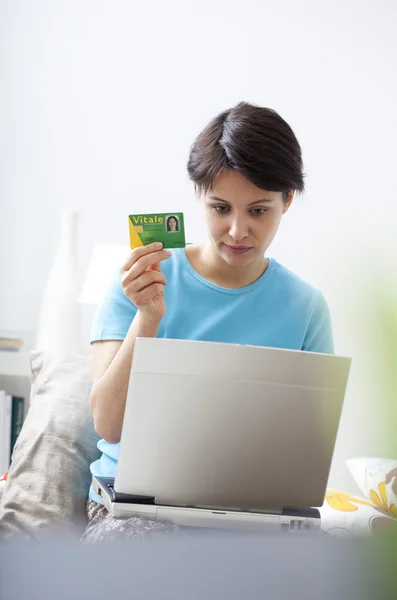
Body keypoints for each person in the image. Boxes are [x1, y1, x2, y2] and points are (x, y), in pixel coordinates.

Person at [81, 101, 334, 544]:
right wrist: (148, 316)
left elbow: (306, 451)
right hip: (134, 511)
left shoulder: (307, 306)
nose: (237, 231)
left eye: (258, 211)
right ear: (198, 195)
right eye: (220, 208)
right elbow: (107, 424)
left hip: (251, 514)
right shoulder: (141, 281)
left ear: (287, 201)